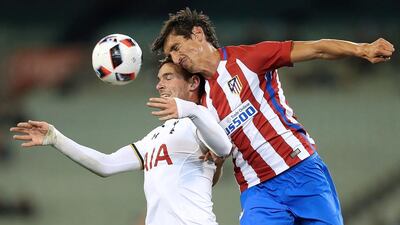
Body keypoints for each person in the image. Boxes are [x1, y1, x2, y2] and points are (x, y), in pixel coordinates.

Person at [150, 8, 395, 225]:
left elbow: (317, 49)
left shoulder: (249, 58)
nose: (174, 57)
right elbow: (217, 163)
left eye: (175, 47)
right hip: (258, 190)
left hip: (300, 170)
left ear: (197, 33)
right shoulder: (203, 104)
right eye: (170, 54)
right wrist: (212, 164)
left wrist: (362, 49)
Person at [10, 61, 232, 225]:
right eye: (158, 79)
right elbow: (106, 165)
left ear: (193, 82)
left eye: (167, 77)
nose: (159, 85)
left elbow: (223, 147)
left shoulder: (201, 120)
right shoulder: (154, 137)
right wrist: (56, 138)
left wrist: (188, 109)